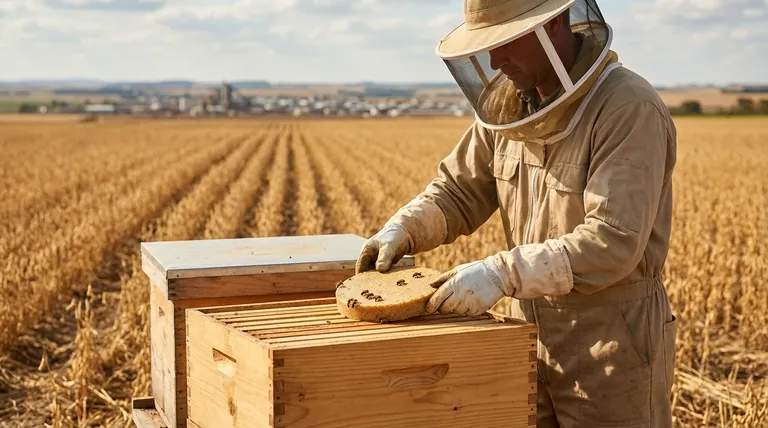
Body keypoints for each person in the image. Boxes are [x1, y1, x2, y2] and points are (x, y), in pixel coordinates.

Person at [355, 0, 678, 427]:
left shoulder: (627, 107)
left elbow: (612, 240)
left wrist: (501, 274)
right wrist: (405, 228)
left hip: (611, 348)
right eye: (488, 46)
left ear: (555, 23)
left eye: (506, 41)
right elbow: (458, 190)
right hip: (525, 338)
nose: (494, 60)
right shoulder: (510, 107)